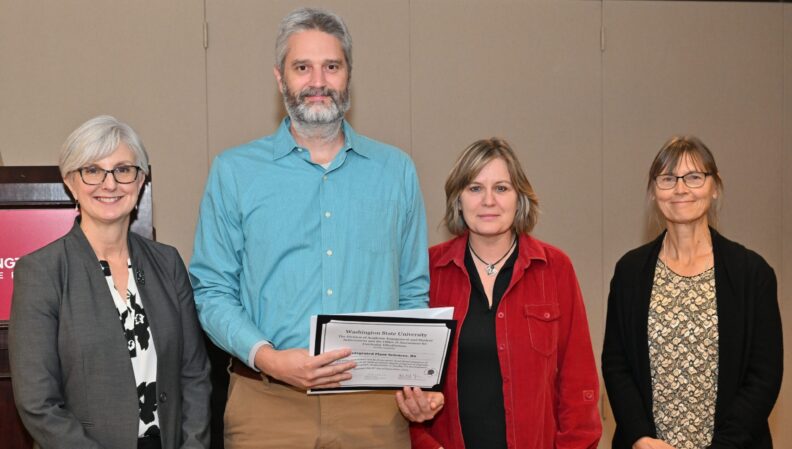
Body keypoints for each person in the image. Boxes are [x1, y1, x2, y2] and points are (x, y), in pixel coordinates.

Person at [189, 7, 432, 449]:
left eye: (331, 67)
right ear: (281, 79)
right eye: (303, 67)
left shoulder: (396, 171)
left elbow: (412, 290)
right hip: (266, 405)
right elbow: (211, 289)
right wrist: (270, 359)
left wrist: (414, 380)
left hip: (375, 410)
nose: (318, 81)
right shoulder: (234, 172)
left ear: (348, 76)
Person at [9, 115, 211, 449]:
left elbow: (195, 375)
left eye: (123, 169)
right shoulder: (42, 271)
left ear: (141, 179)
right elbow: (38, 403)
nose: (110, 184)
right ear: (70, 182)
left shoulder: (167, 262)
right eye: (92, 170)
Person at [407, 138, 602, 449]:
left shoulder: (554, 269)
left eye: (501, 188)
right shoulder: (428, 270)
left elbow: (578, 382)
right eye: (474, 188)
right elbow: (406, 384)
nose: (488, 201)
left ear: (519, 198)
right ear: (458, 200)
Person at [602, 136, 783, 449]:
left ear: (714, 188)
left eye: (694, 177)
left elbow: (764, 375)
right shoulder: (630, 272)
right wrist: (640, 437)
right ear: (654, 190)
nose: (680, 189)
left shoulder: (752, 274)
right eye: (668, 179)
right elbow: (617, 365)